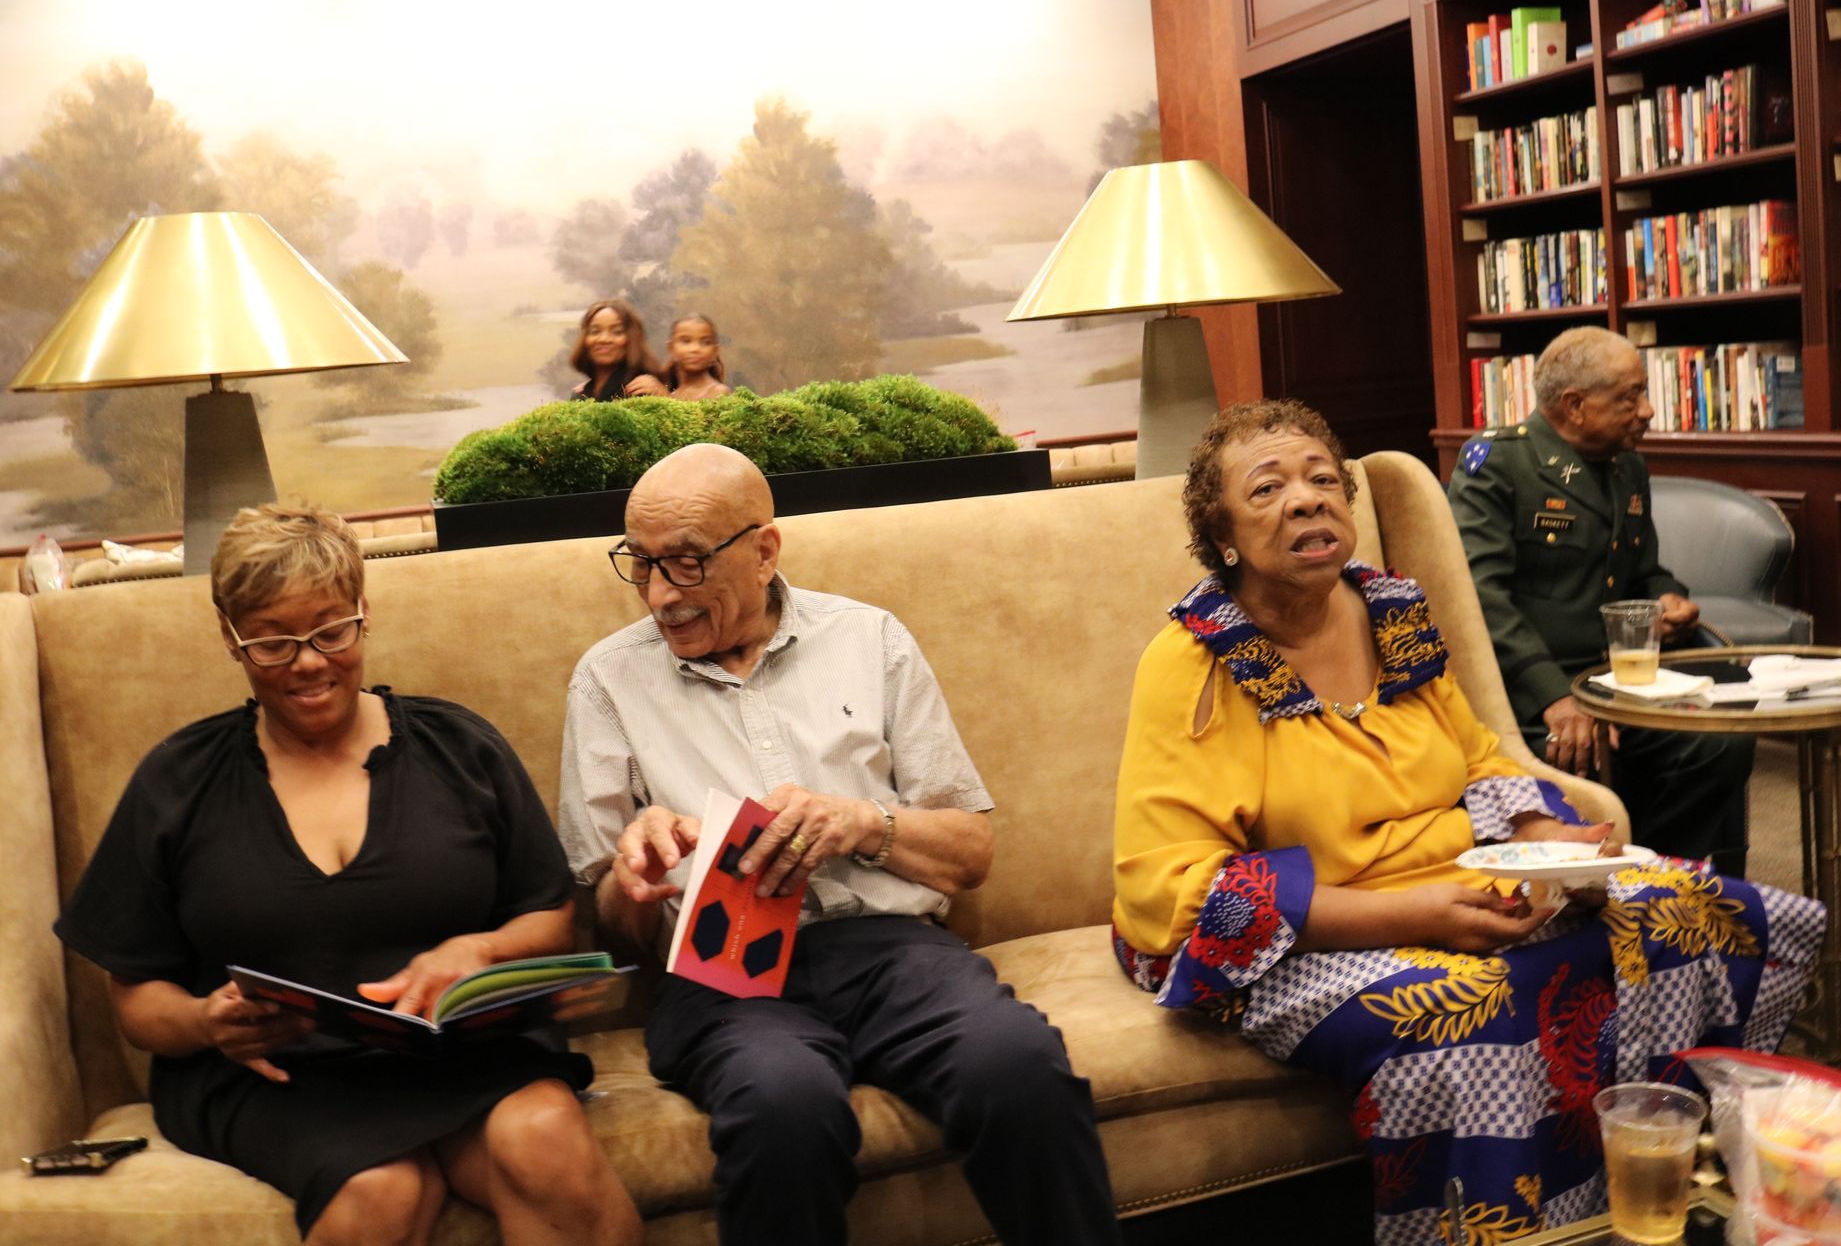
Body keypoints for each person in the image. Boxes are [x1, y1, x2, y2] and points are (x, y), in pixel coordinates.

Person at [1112, 401, 1824, 1245]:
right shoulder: (1196, 660)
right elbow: (1174, 888)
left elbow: (1481, 758)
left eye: (1322, 480)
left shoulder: (1391, 608)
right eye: (1268, 489)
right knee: (1473, 1006)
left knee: (1697, 911)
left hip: (1458, 883)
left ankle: (1687, 1198)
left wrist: (1539, 834)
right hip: (1305, 929)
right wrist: (1408, 916)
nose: (1306, 500)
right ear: (1223, 536)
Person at [558, 444, 1121, 1246]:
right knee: (783, 1108)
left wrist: (866, 824)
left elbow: (971, 854)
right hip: (726, 976)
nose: (658, 595)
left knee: (1018, 1069)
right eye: (639, 564)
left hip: (893, 951)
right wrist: (631, 876)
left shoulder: (869, 638)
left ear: (763, 551)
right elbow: (609, 926)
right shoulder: (608, 681)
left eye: (684, 565)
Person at [54, 504, 640, 1246]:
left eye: (331, 632)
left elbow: (549, 914)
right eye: (272, 641)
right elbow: (136, 1002)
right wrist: (209, 1021)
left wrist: (480, 951)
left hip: (456, 1055)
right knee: (381, 1188)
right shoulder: (180, 780)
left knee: (545, 1135)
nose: (307, 662)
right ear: (230, 638)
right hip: (278, 1080)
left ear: (365, 613)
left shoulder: (459, 748)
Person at [1447, 326, 1755, 876]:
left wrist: (1667, 598)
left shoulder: (1627, 466)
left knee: (1721, 741)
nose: (1648, 411)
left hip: (1623, 677)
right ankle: (1614, 875)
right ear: (1575, 405)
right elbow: (1478, 599)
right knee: (1580, 763)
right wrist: (1552, 697)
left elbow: (1646, 569)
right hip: (1530, 690)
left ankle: (1651, 872)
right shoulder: (1498, 464)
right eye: (1630, 396)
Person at [570, 299, 667, 402]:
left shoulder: (642, 389)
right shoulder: (581, 394)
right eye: (595, 331)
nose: (604, 339)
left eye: (617, 332)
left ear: (632, 338)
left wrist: (664, 396)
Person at [660, 313, 733, 400]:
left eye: (705, 342)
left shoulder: (719, 392)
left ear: (715, 351)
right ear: (671, 348)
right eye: (686, 341)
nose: (695, 349)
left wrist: (663, 396)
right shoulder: (672, 395)